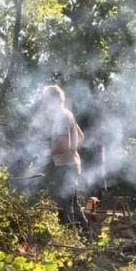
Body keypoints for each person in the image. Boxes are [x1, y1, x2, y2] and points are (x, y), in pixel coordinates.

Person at [41, 85, 87, 229]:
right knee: (72, 202)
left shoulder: (61, 117)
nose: (44, 102)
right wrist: (72, 149)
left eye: (45, 99)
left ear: (52, 99)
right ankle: (87, 233)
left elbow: (63, 146)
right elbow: (80, 137)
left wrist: (46, 153)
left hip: (64, 167)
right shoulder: (68, 114)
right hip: (72, 164)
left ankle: (71, 237)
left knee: (65, 204)